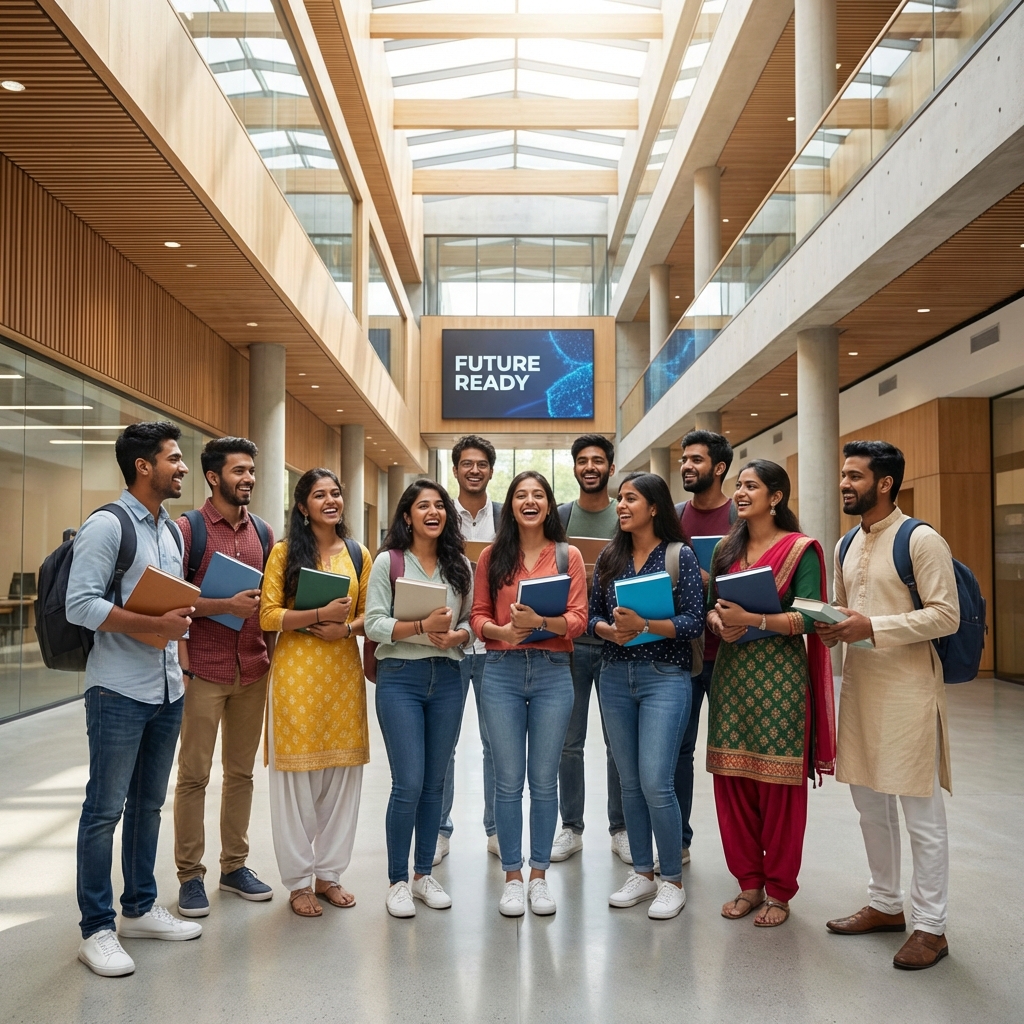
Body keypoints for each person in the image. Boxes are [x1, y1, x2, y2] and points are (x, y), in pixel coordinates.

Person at [67, 421, 201, 978]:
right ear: (144, 466)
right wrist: (152, 621)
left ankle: (140, 908)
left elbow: (172, 614)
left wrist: (179, 648)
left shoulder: (169, 531)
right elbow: (80, 605)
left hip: (166, 688)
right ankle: (95, 928)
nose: (183, 467)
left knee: (149, 805)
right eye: (174, 458)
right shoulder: (108, 526)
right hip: (118, 690)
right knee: (104, 810)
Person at [819, 441, 959, 970]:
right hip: (859, 690)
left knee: (921, 815)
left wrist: (871, 627)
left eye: (854, 476)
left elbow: (946, 615)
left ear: (885, 483)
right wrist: (834, 628)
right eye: (843, 475)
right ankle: (884, 904)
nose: (844, 484)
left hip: (909, 693)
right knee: (869, 808)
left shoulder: (920, 539)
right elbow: (849, 612)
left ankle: (931, 927)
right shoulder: (844, 544)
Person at [705, 460, 835, 928]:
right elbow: (711, 610)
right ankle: (748, 882)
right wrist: (722, 621)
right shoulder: (725, 547)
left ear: (776, 496)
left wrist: (754, 620)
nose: (739, 493)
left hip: (780, 681)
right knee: (733, 782)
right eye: (738, 486)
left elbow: (810, 618)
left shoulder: (802, 551)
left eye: (750, 486)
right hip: (733, 678)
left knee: (778, 788)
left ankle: (779, 891)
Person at [470, 471, 588, 917]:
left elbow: (578, 618)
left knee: (543, 780)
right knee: (506, 779)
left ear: (548, 504)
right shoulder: (491, 557)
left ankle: (539, 877)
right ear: (511, 506)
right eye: (521, 495)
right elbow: (478, 616)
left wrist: (540, 622)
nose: (530, 501)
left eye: (538, 495)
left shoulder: (567, 555)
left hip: (554, 670)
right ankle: (513, 877)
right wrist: (503, 629)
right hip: (500, 669)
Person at [590, 472, 705, 920]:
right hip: (615, 676)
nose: (621, 505)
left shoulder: (681, 556)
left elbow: (695, 621)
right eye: (620, 499)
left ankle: (672, 879)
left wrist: (645, 626)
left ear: (654, 507)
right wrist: (610, 630)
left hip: (665, 677)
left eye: (630, 499)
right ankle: (641, 872)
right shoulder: (608, 558)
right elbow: (591, 619)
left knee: (657, 781)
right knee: (629, 781)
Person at [259, 469, 371, 918]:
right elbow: (267, 615)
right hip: (296, 680)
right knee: (295, 784)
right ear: (302, 505)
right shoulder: (284, 554)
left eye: (336, 493)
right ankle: (298, 882)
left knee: (341, 781)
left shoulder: (359, 553)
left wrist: (343, 626)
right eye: (319, 495)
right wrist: (316, 614)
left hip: (343, 676)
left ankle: (329, 875)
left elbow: (371, 614)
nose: (331, 500)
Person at [173, 437, 275, 918]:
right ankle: (189, 877)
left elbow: (269, 608)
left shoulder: (264, 534)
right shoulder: (187, 530)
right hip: (204, 672)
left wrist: (270, 659)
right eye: (238, 471)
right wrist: (221, 609)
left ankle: (234, 866)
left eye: (251, 470)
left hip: (251, 670)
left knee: (241, 775)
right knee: (193, 776)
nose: (248, 478)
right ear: (213, 477)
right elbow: (174, 600)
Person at [364, 479, 475, 918]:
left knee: (434, 783)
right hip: (401, 677)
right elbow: (373, 624)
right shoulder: (387, 563)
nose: (433, 512)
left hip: (447, 677)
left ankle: (423, 875)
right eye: (422, 506)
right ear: (406, 515)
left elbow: (470, 623)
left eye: (439, 506)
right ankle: (396, 881)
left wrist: (456, 636)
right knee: (407, 783)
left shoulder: (460, 566)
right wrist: (420, 628)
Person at [551, 434, 626, 863]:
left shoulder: (626, 513)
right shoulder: (560, 517)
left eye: (599, 460)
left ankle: (621, 828)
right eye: (583, 461)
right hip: (572, 644)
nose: (591, 467)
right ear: (575, 468)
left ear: (610, 469)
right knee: (568, 742)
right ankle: (571, 827)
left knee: (618, 743)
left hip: (618, 643)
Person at [436, 435, 502, 864]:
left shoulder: (506, 519)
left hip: (495, 647)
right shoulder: (439, 516)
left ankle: (497, 829)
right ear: (455, 470)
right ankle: (440, 830)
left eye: (481, 464)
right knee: (445, 744)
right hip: (450, 647)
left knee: (497, 743)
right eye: (466, 464)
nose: (474, 470)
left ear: (491, 472)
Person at [674, 429, 736, 864]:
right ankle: (678, 841)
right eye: (684, 459)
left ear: (718, 468)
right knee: (677, 751)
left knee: (734, 752)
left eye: (696, 460)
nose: (686, 466)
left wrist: (711, 582)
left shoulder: (742, 517)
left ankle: (746, 852)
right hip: (685, 654)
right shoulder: (675, 517)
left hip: (734, 653)